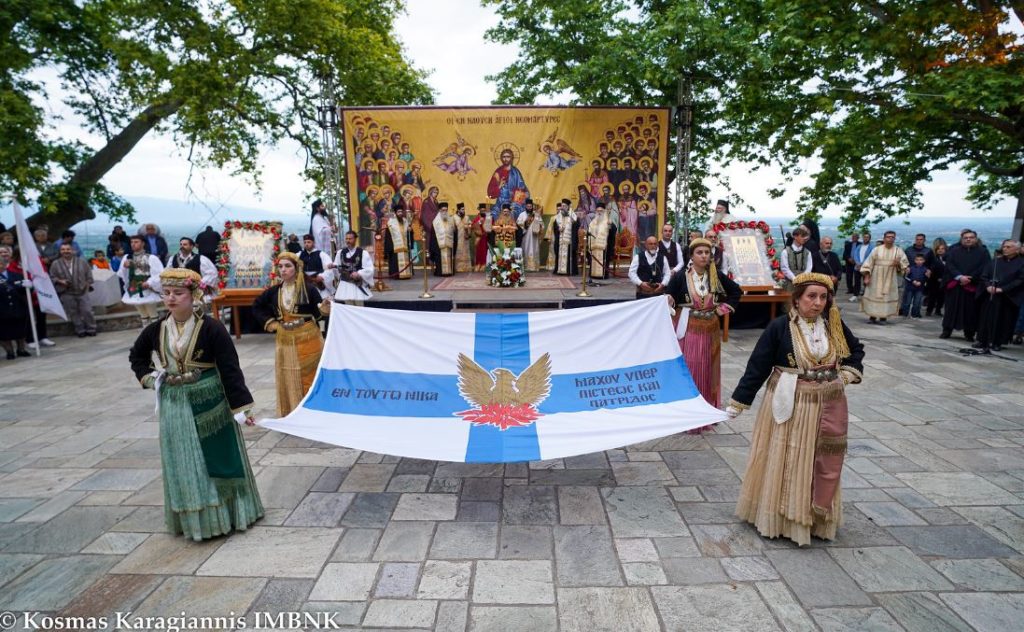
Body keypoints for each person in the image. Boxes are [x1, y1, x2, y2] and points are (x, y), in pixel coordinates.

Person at [728, 272, 864, 545]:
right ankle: (785, 518)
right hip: (791, 404)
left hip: (827, 403)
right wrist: (738, 403)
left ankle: (816, 517)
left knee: (820, 460)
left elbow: (855, 351)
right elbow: (757, 367)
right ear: (797, 298)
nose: (817, 303)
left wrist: (847, 375)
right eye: (811, 296)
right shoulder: (779, 327)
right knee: (790, 458)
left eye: (823, 297)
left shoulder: (833, 325)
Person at [129, 268, 263, 541]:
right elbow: (137, 356)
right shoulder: (156, 329)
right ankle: (192, 517)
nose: (171, 299)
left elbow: (230, 368)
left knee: (214, 458)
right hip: (174, 405)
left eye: (178, 293)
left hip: (209, 401)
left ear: (194, 295)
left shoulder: (212, 328)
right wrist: (148, 378)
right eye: (166, 293)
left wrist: (241, 407)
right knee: (183, 458)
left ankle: (227, 515)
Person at [667, 238, 741, 428]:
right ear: (691, 256)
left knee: (709, 367)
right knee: (691, 367)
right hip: (689, 326)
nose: (704, 256)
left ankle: (706, 408)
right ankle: (688, 411)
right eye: (699, 252)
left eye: (707, 253)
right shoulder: (681, 277)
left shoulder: (716, 276)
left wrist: (721, 310)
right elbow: (670, 295)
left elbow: (736, 292)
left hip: (710, 328)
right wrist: (668, 299)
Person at [252, 252, 331, 416]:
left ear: (296, 268)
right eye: (280, 266)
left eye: (287, 266)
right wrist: (271, 323)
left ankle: (314, 411)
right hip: (285, 340)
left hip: (308, 338)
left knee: (310, 376)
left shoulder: (309, 289)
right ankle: (293, 411)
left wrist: (325, 307)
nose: (283, 270)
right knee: (288, 374)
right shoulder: (274, 291)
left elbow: (319, 313)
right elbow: (257, 306)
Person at [974, 239, 1023, 352]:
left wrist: (1003, 289)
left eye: (1008, 247)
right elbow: (984, 275)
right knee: (986, 318)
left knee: (1003, 320)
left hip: (1008, 297)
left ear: (1017, 249)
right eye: (1004, 246)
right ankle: (982, 339)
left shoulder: (1021, 263)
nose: (1005, 249)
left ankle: (997, 342)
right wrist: (987, 286)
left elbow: (1020, 280)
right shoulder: (995, 261)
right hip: (991, 295)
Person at [941, 229, 990, 341]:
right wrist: (959, 276)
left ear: (976, 239)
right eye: (965, 237)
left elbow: (985, 267)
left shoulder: (983, 252)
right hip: (955, 285)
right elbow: (950, 265)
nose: (968, 239)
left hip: (972, 285)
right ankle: (946, 330)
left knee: (971, 310)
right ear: (961, 239)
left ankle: (969, 333)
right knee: (951, 309)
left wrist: (970, 278)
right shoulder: (954, 251)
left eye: (971, 237)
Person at [859, 230, 909, 324]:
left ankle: (883, 318)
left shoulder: (898, 250)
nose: (890, 239)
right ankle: (872, 316)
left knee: (886, 297)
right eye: (888, 237)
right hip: (876, 276)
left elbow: (904, 266)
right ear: (884, 238)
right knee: (874, 295)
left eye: (892, 237)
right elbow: (868, 263)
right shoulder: (877, 249)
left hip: (890, 277)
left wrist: (898, 264)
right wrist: (867, 276)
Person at [49, 243, 97, 337]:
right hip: (66, 292)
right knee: (73, 312)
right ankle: (80, 330)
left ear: (73, 250)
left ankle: (91, 328)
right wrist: (60, 281)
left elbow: (89, 276)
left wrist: (86, 286)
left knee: (87, 311)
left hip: (82, 291)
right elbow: (52, 277)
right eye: (63, 249)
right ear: (60, 251)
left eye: (68, 249)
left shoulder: (82, 262)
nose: (66, 251)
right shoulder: (55, 264)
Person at [119, 234, 165, 327]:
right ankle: (146, 334)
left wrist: (149, 282)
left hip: (147, 288)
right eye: (132, 242)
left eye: (136, 242)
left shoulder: (151, 257)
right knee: (142, 314)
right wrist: (125, 267)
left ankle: (155, 333)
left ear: (143, 243)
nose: (133, 244)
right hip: (133, 288)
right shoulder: (127, 257)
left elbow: (159, 274)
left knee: (152, 313)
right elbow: (121, 274)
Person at [0, 246, 32, 359]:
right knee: (4, 333)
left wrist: (28, 286)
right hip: (2, 310)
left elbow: (24, 291)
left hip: (18, 308)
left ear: (5, 265)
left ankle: (21, 349)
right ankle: (9, 351)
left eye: (1, 263)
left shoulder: (16, 275)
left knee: (20, 331)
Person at [167, 238, 219, 302]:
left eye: (185, 244)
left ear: (191, 246)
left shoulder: (201, 259)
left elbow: (212, 273)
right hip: (179, 294)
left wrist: (199, 284)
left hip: (198, 294)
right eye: (181, 244)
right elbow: (167, 273)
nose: (182, 246)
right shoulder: (173, 259)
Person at [333, 231, 374, 306]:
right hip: (345, 283)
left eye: (350, 239)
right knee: (348, 307)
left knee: (359, 306)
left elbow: (369, 268)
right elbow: (337, 265)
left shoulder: (363, 253)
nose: (348, 241)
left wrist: (359, 273)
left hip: (357, 283)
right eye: (346, 239)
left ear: (355, 239)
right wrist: (333, 266)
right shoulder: (340, 253)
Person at [487, 148, 530, 218]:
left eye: (508, 157)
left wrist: (513, 196)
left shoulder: (516, 173)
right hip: (500, 203)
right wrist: (499, 186)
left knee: (514, 214)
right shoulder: (498, 172)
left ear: (512, 158)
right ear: (501, 158)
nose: (505, 159)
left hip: (513, 203)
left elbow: (522, 189)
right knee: (493, 216)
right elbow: (490, 193)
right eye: (504, 157)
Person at [299, 234, 335, 299]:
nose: (306, 244)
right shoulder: (299, 255)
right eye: (305, 242)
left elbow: (329, 269)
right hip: (304, 285)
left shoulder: (321, 254)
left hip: (318, 284)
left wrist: (322, 276)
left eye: (309, 242)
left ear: (314, 243)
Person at [587, 202, 617, 280]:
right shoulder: (593, 222)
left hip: (604, 247)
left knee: (604, 261)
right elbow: (589, 232)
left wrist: (610, 226)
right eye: (598, 211)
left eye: (601, 211)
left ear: (604, 211)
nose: (599, 212)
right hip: (594, 246)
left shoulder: (608, 221)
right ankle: (593, 274)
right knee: (593, 261)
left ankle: (603, 275)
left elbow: (614, 231)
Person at [550, 199, 579, 276]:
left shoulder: (573, 216)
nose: (562, 207)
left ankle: (569, 271)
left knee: (570, 255)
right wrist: (558, 229)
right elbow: (555, 226)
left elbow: (576, 227)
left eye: (564, 206)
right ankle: (559, 270)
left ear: (568, 207)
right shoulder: (558, 217)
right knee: (559, 254)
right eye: (562, 206)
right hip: (560, 240)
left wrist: (574, 224)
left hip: (569, 241)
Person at [384, 205, 414, 280]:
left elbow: (408, 233)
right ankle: (396, 275)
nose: (400, 213)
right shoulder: (391, 222)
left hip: (404, 245)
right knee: (395, 261)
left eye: (401, 211)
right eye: (398, 212)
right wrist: (390, 247)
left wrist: (410, 231)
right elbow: (388, 236)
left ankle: (406, 274)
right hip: (395, 247)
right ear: (395, 213)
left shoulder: (405, 221)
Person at [431, 203, 458, 277]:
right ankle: (440, 272)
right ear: (439, 210)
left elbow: (454, 232)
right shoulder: (435, 221)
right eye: (443, 210)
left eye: (446, 210)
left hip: (449, 243)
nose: (445, 212)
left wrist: (455, 230)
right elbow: (433, 236)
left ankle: (449, 271)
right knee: (439, 257)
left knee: (449, 256)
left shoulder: (450, 219)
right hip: (439, 245)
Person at [517, 199, 544, 272]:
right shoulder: (522, 215)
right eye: (528, 206)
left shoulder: (536, 215)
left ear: (532, 206)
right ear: (525, 206)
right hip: (526, 237)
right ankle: (526, 266)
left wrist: (539, 226)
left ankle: (534, 266)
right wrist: (526, 223)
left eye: (530, 206)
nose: (529, 207)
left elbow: (542, 225)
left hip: (535, 237)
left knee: (534, 250)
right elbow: (519, 225)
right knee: (525, 249)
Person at [900, 254, 929, 319]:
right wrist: (913, 281)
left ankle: (914, 314)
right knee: (907, 302)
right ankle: (905, 314)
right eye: (917, 260)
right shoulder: (911, 268)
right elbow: (906, 277)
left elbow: (926, 279)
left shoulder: (925, 269)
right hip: (910, 288)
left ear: (924, 261)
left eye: (921, 260)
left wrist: (921, 282)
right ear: (914, 260)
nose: (919, 261)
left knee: (917, 302)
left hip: (919, 289)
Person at [925, 239, 948, 317]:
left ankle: (938, 310)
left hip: (944, 280)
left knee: (942, 297)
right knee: (932, 296)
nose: (940, 251)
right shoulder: (932, 257)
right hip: (933, 280)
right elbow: (928, 267)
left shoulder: (948, 258)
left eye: (942, 249)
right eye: (938, 249)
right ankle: (929, 311)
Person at [849, 232, 874, 302]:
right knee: (856, 282)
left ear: (869, 238)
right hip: (857, 267)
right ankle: (855, 295)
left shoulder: (872, 247)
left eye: (867, 237)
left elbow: (870, 257)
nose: (865, 238)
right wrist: (857, 263)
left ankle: (867, 296)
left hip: (866, 267)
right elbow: (855, 254)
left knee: (866, 282)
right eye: (864, 237)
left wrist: (862, 264)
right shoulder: (859, 246)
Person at [453, 203, 473, 273]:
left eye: (464, 209)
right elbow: (452, 228)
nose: (463, 211)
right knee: (459, 253)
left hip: (465, 239)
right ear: (458, 210)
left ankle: (467, 268)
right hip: (458, 239)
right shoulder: (454, 217)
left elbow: (471, 225)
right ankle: (458, 268)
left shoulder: (466, 217)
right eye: (462, 209)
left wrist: (469, 227)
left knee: (466, 253)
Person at [471, 204, 489, 272]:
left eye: (484, 210)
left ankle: (484, 264)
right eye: (481, 210)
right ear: (479, 210)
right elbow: (473, 225)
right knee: (479, 252)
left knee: (485, 252)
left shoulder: (488, 217)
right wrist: (479, 222)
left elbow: (490, 226)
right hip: (479, 238)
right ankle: (478, 264)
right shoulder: (477, 218)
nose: (483, 211)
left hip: (486, 238)